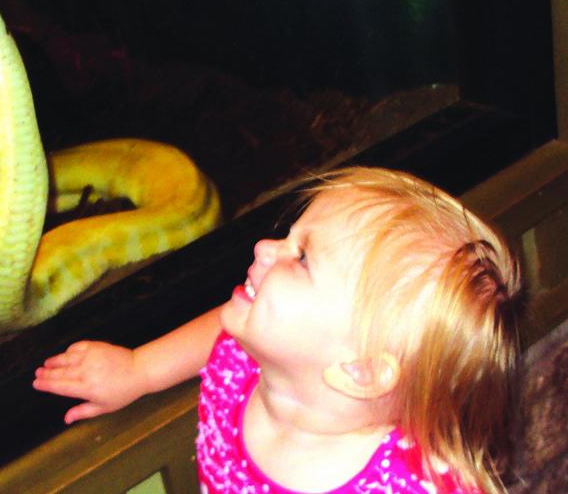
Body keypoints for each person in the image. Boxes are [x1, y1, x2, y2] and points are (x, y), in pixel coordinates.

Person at [33, 167, 523, 493]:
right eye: (291, 238)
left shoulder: (411, 485)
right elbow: (223, 333)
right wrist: (139, 369)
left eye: (302, 257)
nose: (267, 247)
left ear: (360, 369)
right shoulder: (246, 356)